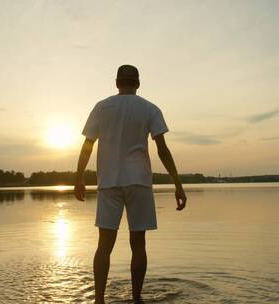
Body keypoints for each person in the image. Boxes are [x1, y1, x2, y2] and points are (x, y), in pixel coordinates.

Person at [74, 64, 187, 304]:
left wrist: (79, 177)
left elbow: (88, 145)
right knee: (138, 243)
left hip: (109, 182)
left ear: (116, 83)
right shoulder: (149, 108)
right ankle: (136, 299)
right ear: (137, 83)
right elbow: (162, 150)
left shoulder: (102, 107)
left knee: (104, 245)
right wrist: (177, 184)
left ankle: (99, 300)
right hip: (139, 181)